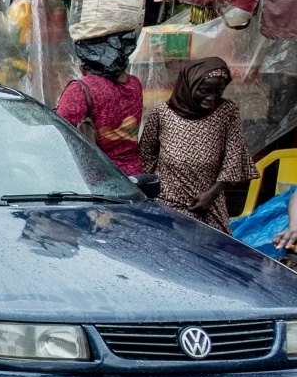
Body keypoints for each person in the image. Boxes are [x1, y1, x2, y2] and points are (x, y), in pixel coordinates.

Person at [138, 58, 252, 230]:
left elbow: (234, 156)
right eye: (204, 90)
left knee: (214, 249)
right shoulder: (163, 113)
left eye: (218, 91)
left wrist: (212, 194)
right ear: (189, 85)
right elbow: (146, 152)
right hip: (167, 200)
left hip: (208, 201)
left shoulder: (227, 111)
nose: (211, 97)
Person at [55, 31, 143, 176]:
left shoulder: (80, 89)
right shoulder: (135, 84)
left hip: (99, 182)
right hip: (134, 179)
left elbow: (58, 134)